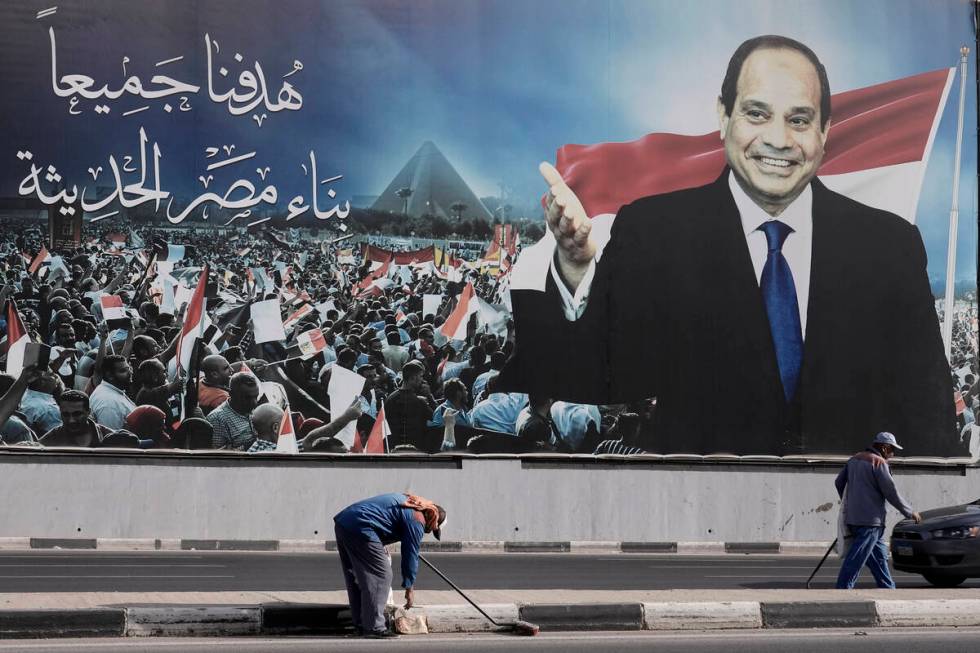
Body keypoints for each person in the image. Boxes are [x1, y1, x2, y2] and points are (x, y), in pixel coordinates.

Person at [500, 34, 957, 456]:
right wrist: (576, 266)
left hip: (844, 527)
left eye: (799, 119)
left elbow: (930, 422)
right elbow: (592, 375)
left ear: (824, 131)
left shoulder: (889, 246)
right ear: (724, 115)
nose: (778, 139)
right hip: (699, 527)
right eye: (757, 114)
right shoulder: (654, 230)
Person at [333, 493, 446, 638]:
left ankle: (361, 624)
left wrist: (380, 543)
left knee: (356, 577)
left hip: (345, 523)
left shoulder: (410, 503)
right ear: (433, 518)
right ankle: (374, 627)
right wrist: (409, 587)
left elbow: (382, 518)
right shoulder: (418, 520)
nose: (429, 531)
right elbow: (410, 556)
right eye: (433, 529)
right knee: (382, 575)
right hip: (361, 526)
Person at [834, 431, 922, 589]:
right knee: (856, 559)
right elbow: (891, 492)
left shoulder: (854, 459)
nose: (893, 454)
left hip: (854, 519)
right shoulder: (879, 463)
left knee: (879, 559)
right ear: (884, 447)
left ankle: (888, 588)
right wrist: (909, 512)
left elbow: (839, 482)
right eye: (892, 449)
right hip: (870, 522)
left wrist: (852, 502)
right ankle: (842, 589)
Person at [207, 372, 261, 450]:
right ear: (231, 394)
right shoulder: (218, 419)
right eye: (247, 398)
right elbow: (218, 456)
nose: (254, 403)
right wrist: (250, 445)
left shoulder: (252, 408)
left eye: (256, 397)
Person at [39, 390, 113, 447]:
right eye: (66, 415)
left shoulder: (109, 438)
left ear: (88, 412)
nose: (71, 420)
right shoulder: (49, 441)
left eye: (77, 414)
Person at [89, 355, 136, 430]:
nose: (130, 373)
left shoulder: (110, 390)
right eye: (123, 370)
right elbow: (113, 438)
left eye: (129, 368)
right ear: (110, 375)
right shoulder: (109, 404)